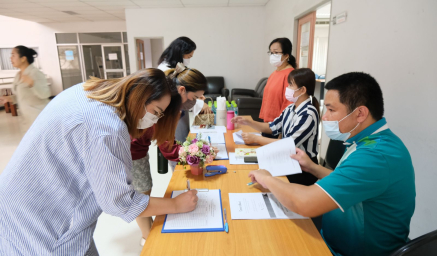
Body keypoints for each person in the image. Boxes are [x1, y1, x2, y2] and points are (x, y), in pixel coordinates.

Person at [0, 69, 199, 256]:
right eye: (156, 112)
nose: (154, 121)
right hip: (43, 228)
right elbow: (120, 202)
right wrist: (174, 205)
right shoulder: (107, 128)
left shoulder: (87, 90)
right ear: (140, 96)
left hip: (18, 207)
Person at [248, 72, 415, 256]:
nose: (325, 117)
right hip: (333, 238)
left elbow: (304, 202)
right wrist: (312, 167)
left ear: (360, 113)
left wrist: (267, 179)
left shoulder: (374, 156)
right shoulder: (369, 141)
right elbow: (346, 180)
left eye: (331, 110)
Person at [131, 65, 209, 246]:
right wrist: (195, 154)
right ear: (182, 90)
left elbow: (169, 145)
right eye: (195, 98)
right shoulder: (166, 107)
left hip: (138, 147)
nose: (196, 102)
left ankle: (148, 233)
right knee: (141, 193)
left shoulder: (170, 104)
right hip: (131, 150)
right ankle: (147, 239)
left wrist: (194, 152)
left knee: (144, 190)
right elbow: (169, 149)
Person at [232, 68, 320, 185]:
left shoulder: (309, 113)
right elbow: (272, 127)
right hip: (288, 160)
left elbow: (287, 144)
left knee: (263, 180)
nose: (287, 88)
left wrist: (256, 139)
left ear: (302, 90)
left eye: (291, 85)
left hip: (303, 168)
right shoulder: (290, 108)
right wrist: (249, 122)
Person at [157, 37, 211, 169]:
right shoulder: (166, 71)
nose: (189, 58)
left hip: (175, 114)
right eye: (188, 55)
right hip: (170, 115)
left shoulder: (178, 70)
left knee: (180, 142)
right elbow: (169, 147)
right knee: (176, 145)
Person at [0, 45, 50, 130]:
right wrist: (10, 98)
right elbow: (23, 95)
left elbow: (45, 94)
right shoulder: (18, 75)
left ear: (23, 58)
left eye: (13, 55)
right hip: (28, 121)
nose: (10, 58)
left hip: (40, 119)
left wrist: (32, 83)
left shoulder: (35, 73)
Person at [259, 38, 297, 138]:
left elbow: (288, 104)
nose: (272, 56)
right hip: (268, 124)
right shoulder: (274, 73)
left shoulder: (290, 74)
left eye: (276, 52)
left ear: (286, 55)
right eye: (271, 53)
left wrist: (281, 132)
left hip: (278, 127)